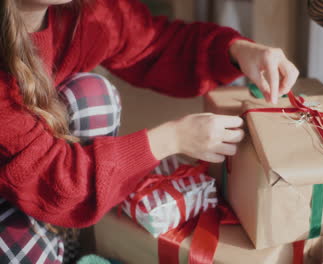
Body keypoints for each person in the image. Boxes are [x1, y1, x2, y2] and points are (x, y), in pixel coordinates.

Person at [0, 0, 299, 262]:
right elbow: (56, 178)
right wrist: (171, 138)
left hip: (29, 170)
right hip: (29, 178)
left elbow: (156, 42)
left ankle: (58, 237)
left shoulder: (86, 13)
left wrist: (238, 50)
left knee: (92, 96)